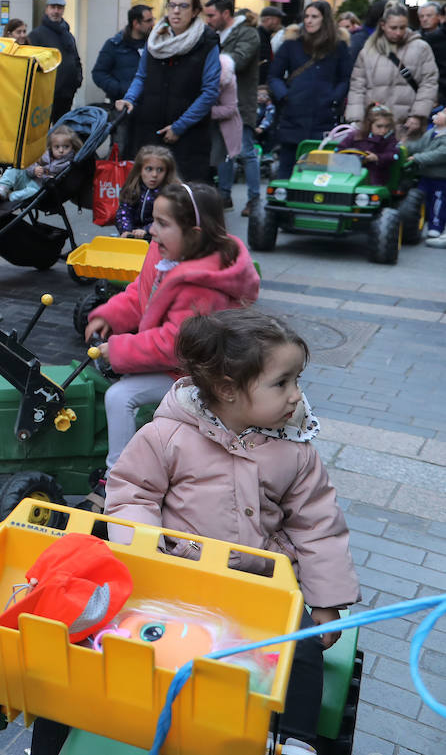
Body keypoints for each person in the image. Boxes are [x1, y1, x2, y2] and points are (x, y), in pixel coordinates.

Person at [107, 309, 360, 755]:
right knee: (126, 637)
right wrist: (148, 554)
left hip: (260, 583)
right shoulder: (167, 436)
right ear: (228, 389)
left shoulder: (294, 450)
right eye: (282, 383)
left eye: (297, 380)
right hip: (180, 575)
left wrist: (325, 601)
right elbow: (133, 497)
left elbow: (317, 525)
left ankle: (296, 740)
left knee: (301, 649)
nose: (296, 395)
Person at [80, 182, 260, 505]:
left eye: (162, 224)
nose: (151, 231)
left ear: (194, 233)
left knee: (120, 396)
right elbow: (141, 293)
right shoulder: (164, 254)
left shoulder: (203, 285)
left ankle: (118, 476)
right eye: (152, 221)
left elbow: (175, 344)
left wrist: (119, 350)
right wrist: (110, 315)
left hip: (198, 374)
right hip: (174, 366)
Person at [115, 0, 220, 183]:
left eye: (183, 6)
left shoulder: (207, 42)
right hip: (147, 129)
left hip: (188, 136)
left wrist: (179, 127)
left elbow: (209, 92)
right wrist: (129, 99)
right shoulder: (155, 37)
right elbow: (141, 76)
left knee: (181, 198)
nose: (176, 11)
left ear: (195, 11)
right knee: (144, 195)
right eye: (172, 5)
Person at [267, 1, 353, 179]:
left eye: (314, 17)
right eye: (306, 16)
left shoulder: (338, 47)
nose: (309, 21)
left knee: (316, 171)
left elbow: (345, 78)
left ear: (325, 19)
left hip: (323, 115)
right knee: (286, 169)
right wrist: (284, 96)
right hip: (293, 113)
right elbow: (274, 75)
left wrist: (334, 98)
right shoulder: (291, 44)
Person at [203, 0, 263, 214]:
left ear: (226, 14)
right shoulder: (214, 34)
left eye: (211, 15)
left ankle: (254, 199)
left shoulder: (247, 33)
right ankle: (225, 196)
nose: (207, 20)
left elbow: (238, 60)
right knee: (222, 152)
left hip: (240, 102)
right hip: (218, 101)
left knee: (246, 151)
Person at [345, 2, 439, 139]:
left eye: (402, 27)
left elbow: (429, 83)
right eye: (393, 28)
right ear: (383, 25)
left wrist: (418, 115)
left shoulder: (421, 48)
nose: (398, 32)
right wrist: (356, 119)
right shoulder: (368, 51)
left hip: (408, 126)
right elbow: (357, 86)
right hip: (373, 126)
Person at [93, 4, 155, 155]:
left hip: (148, 108)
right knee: (120, 148)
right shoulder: (114, 45)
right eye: (148, 21)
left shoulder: (154, 45)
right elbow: (99, 73)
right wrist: (121, 89)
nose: (152, 24)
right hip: (121, 110)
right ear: (135, 23)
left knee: (145, 150)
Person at [0, 126, 81, 203]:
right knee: (16, 168)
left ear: (72, 146)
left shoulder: (69, 162)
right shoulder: (44, 154)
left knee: (32, 192)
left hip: (39, 187)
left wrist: (45, 173)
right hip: (27, 178)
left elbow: (57, 177)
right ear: (51, 147)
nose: (61, 150)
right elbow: (29, 163)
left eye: (66, 147)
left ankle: (9, 196)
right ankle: (3, 188)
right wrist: (34, 169)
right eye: (57, 147)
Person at [29, 0, 84, 123]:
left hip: (66, 93)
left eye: (59, 8)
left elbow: (75, 59)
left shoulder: (68, 34)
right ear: (47, 9)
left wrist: (77, 80)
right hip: (47, 94)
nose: (56, 11)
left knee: (62, 130)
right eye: (53, 7)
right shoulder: (37, 35)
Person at [115, 144, 177, 239]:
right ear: (140, 170)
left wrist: (147, 230)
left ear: (168, 172)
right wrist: (126, 230)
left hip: (161, 239)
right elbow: (124, 211)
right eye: (149, 169)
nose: (154, 174)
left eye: (160, 170)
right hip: (132, 236)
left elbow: (167, 219)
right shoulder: (133, 186)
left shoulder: (171, 193)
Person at [405, 105, 446, 244]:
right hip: (424, 175)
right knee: (420, 199)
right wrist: (405, 148)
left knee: (438, 203)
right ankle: (419, 223)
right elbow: (420, 145)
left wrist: (417, 158)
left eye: (443, 113)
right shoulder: (432, 132)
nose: (438, 114)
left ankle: (436, 227)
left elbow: (440, 154)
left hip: (440, 177)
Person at [339, 104, 399, 186]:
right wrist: (356, 157)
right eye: (379, 126)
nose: (383, 130)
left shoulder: (390, 140)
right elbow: (340, 151)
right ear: (369, 124)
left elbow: (393, 155)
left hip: (376, 177)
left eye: (387, 126)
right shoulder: (355, 136)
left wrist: (377, 157)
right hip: (351, 174)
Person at [416, 2, 446, 106]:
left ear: (439, 17)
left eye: (429, 15)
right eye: (421, 16)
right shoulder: (414, 39)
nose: (424, 19)